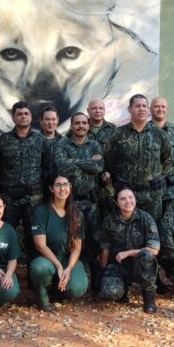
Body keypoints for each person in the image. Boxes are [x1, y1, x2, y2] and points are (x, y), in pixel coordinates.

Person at [53, 112, 105, 290]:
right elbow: (62, 167)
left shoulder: (95, 144)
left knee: (94, 240)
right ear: (72, 126)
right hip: (71, 204)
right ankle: (75, 278)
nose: (81, 126)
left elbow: (98, 166)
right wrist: (87, 162)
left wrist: (74, 161)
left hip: (91, 204)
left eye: (84, 123)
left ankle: (96, 280)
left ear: (88, 125)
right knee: (73, 241)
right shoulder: (62, 144)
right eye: (77, 123)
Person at [103, 94, 172, 223]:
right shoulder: (117, 134)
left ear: (148, 109)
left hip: (152, 195)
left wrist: (159, 177)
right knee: (125, 230)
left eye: (144, 106)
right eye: (137, 106)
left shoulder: (159, 134)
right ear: (130, 109)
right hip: (126, 195)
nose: (141, 109)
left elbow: (167, 159)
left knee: (152, 231)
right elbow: (110, 162)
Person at [0, 101, 50, 260]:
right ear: (13, 117)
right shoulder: (3, 140)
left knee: (34, 238)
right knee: (4, 236)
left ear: (31, 116)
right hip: (9, 198)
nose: (23, 117)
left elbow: (47, 167)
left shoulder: (41, 140)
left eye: (26, 113)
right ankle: (2, 273)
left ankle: (34, 277)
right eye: (19, 114)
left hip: (33, 199)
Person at [29, 175, 88, 311]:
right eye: (58, 185)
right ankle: (42, 299)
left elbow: (76, 247)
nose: (62, 188)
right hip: (47, 259)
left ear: (70, 187)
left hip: (66, 258)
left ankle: (60, 292)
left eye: (65, 184)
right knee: (40, 269)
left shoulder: (77, 214)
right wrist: (58, 265)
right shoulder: (41, 211)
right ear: (51, 188)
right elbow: (40, 245)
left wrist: (69, 268)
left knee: (78, 288)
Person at [99, 188, 160, 313]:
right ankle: (123, 290)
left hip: (140, 265)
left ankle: (149, 298)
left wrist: (128, 253)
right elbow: (105, 248)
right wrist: (102, 271)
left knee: (147, 256)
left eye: (130, 197)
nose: (128, 201)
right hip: (119, 265)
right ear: (116, 203)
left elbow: (154, 250)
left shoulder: (145, 218)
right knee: (110, 292)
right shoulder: (109, 221)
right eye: (122, 199)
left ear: (135, 199)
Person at [150, 97, 174, 214]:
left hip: (171, 189)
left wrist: (170, 167)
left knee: (170, 225)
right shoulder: (145, 130)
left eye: (163, 106)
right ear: (150, 109)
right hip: (150, 190)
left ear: (167, 109)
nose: (160, 109)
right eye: (156, 106)